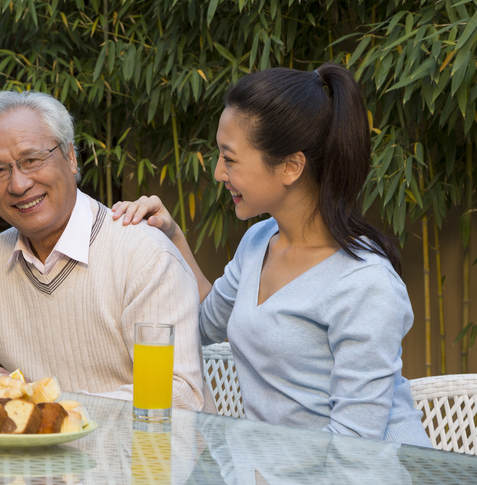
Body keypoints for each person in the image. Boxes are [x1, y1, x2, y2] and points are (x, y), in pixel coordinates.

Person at [113, 64, 431, 446]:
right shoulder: (259, 241)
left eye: (229, 159)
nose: (217, 173)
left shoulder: (366, 284)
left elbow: (353, 445)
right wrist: (172, 236)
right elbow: (203, 323)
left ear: (290, 166)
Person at [0, 90, 209, 409]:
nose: (18, 184)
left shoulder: (144, 254)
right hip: (27, 457)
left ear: (71, 158)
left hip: (143, 456)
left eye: (31, 160)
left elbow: (179, 396)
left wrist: (40, 400)